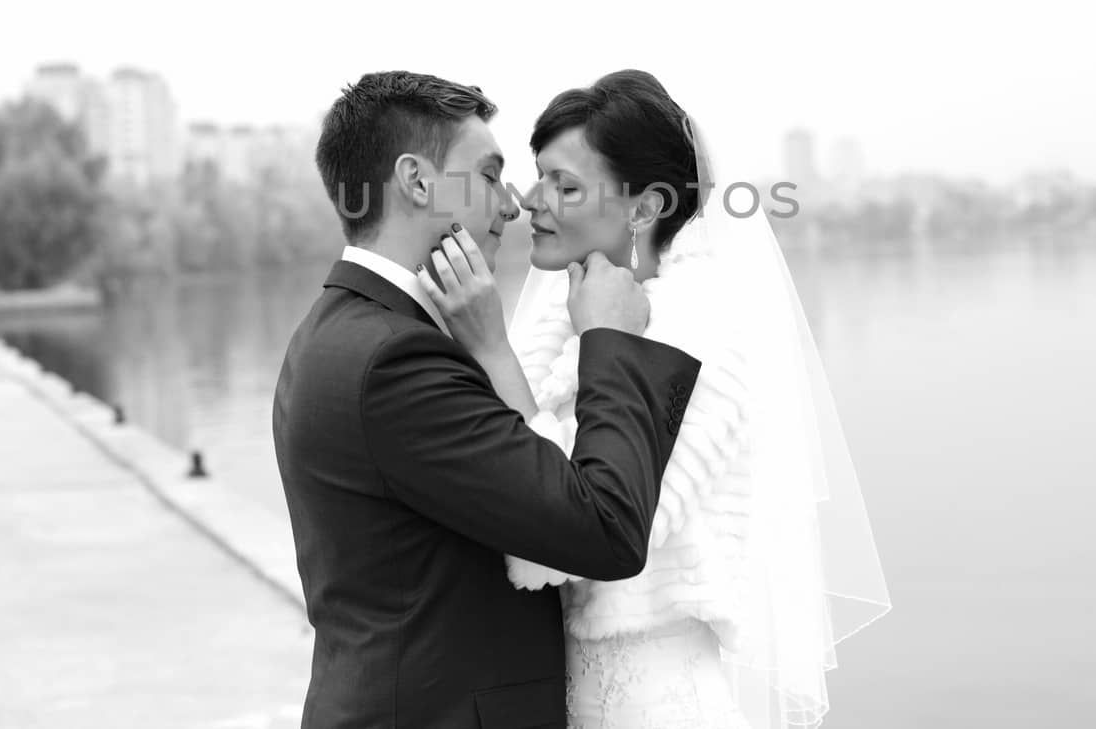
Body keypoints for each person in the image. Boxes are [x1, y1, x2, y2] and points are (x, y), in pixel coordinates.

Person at [422, 70, 891, 729]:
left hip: (656, 702)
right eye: (539, 177)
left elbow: (579, 531)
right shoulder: (561, 317)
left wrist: (491, 348)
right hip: (561, 692)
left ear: (643, 208)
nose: (533, 201)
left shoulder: (701, 334)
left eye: (568, 185)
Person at [272, 70, 702, 729]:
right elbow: (604, 528)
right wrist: (610, 339)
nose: (511, 205)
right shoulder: (396, 359)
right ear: (417, 181)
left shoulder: (332, 331)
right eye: (490, 174)